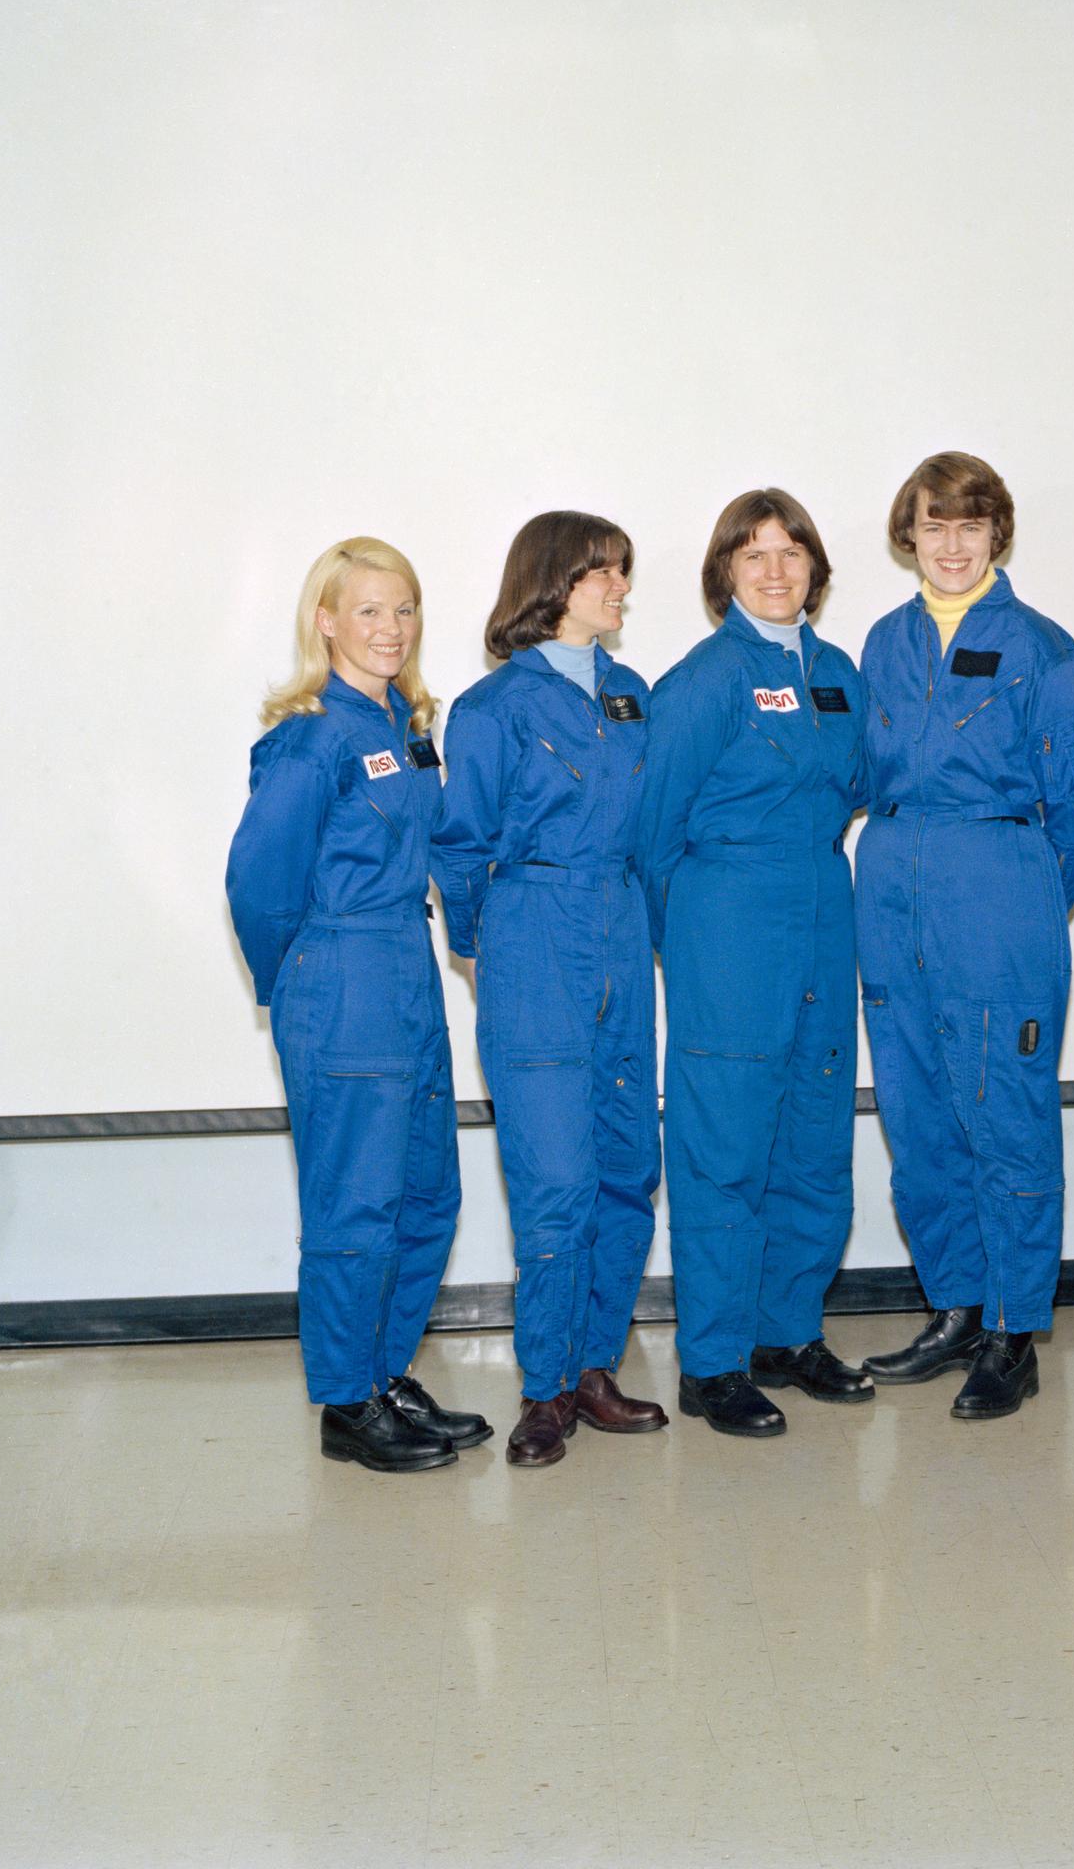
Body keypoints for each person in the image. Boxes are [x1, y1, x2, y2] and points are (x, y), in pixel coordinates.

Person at [227, 536, 485, 1472]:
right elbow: (258, 883)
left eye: (404, 609)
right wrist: (297, 979)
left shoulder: (407, 725)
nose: (390, 628)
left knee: (427, 1195)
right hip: (344, 977)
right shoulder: (312, 737)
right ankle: (345, 1402)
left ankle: (383, 1374)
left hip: (407, 977)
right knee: (356, 1203)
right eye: (369, 610)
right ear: (326, 620)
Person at [855, 452, 1074, 1417]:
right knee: (918, 1117)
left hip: (995, 890)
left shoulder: (1043, 647)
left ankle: (1013, 1328)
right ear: (908, 534)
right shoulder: (882, 641)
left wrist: (1024, 891)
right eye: (933, 526)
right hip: (893, 883)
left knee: (1007, 1114)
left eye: (970, 527)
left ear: (997, 535)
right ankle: (955, 1305)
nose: (951, 546)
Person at [433, 512, 665, 1468]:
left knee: (624, 1167)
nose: (618, 590)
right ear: (552, 582)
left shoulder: (631, 695)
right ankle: (544, 1387)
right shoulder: (492, 709)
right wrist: (483, 949)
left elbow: (649, 828)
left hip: (617, 930)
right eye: (603, 574)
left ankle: (596, 1365)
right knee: (555, 1176)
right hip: (534, 934)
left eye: (621, 575)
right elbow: (459, 846)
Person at [636, 489, 869, 1437]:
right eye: (753, 556)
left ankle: (787, 1333)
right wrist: (692, 942)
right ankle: (715, 1361)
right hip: (730, 925)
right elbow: (653, 837)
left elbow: (854, 786)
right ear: (724, 573)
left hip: (823, 912)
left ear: (814, 565)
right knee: (723, 1148)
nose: (775, 572)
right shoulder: (700, 682)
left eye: (791, 553)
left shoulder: (841, 674)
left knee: (814, 1141)